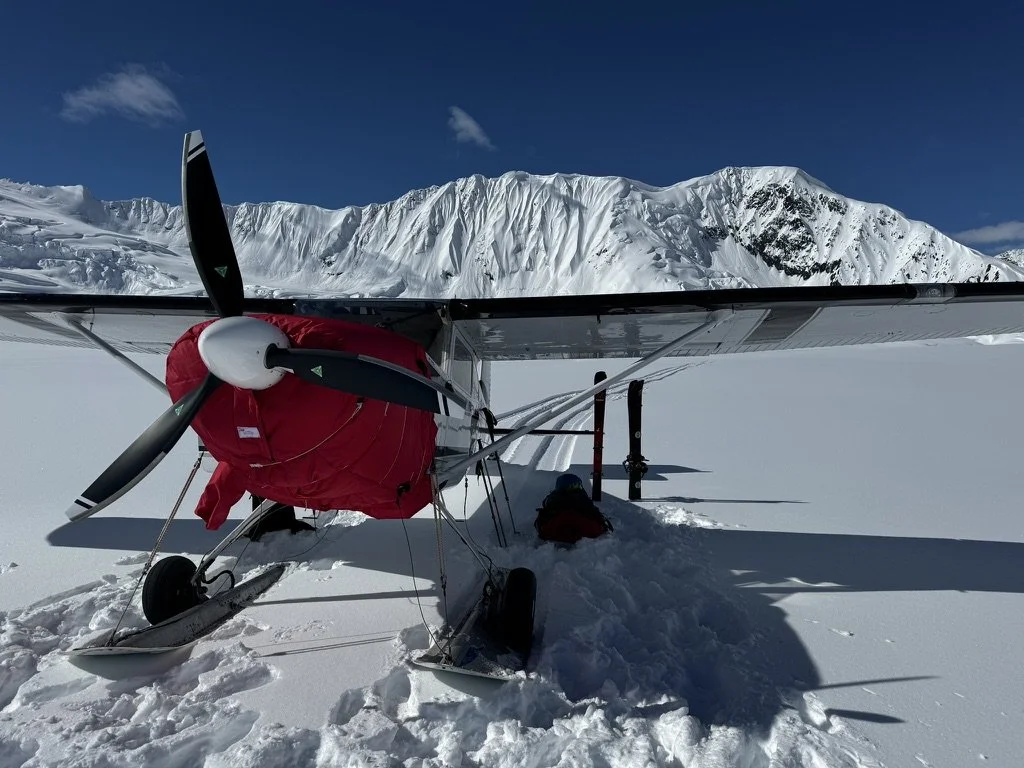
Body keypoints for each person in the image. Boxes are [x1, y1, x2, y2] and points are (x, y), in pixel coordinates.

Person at [535, 473, 612, 544]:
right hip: (584, 531)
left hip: (554, 532)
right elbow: (594, 514)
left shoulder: (553, 498)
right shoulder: (582, 499)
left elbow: (544, 515)